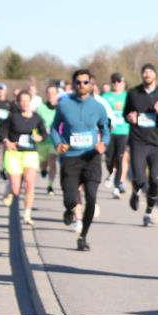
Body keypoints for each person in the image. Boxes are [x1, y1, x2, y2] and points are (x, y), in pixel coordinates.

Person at [50, 69, 111, 251]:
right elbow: (54, 128)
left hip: (91, 157)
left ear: (91, 84)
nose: (82, 85)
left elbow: (105, 129)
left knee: (91, 198)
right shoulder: (64, 105)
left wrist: (104, 144)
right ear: (74, 84)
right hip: (70, 158)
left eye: (85, 82)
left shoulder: (99, 106)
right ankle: (69, 209)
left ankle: (83, 236)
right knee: (70, 198)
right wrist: (58, 143)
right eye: (78, 82)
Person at [125, 63, 158, 227]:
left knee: (154, 179)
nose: (147, 74)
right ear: (142, 75)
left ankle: (148, 213)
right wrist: (129, 118)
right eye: (144, 72)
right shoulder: (133, 93)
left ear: (155, 75)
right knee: (138, 178)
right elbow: (126, 114)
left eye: (150, 72)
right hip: (138, 141)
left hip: (155, 143)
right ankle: (136, 190)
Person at [0, 90, 48, 225]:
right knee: (16, 189)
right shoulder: (12, 117)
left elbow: (44, 133)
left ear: (30, 102)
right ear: (17, 102)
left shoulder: (36, 118)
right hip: (14, 154)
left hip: (30, 154)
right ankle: (9, 187)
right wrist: (6, 142)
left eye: (27, 100)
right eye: (22, 101)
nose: (25, 103)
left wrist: (40, 137)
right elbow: (1, 132)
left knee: (29, 184)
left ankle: (27, 213)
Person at [102, 73, 131, 198]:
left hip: (124, 131)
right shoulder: (105, 96)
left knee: (120, 158)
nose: (117, 84)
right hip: (109, 132)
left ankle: (117, 185)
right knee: (109, 158)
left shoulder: (128, 96)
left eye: (120, 81)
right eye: (115, 81)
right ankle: (111, 171)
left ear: (124, 83)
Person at [36, 84, 60, 196]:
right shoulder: (40, 108)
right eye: (49, 93)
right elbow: (35, 124)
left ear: (57, 94)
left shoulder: (61, 108)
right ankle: (43, 170)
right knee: (43, 163)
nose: (51, 95)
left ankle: (50, 185)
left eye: (53, 93)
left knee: (53, 160)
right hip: (42, 141)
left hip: (55, 141)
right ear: (46, 94)